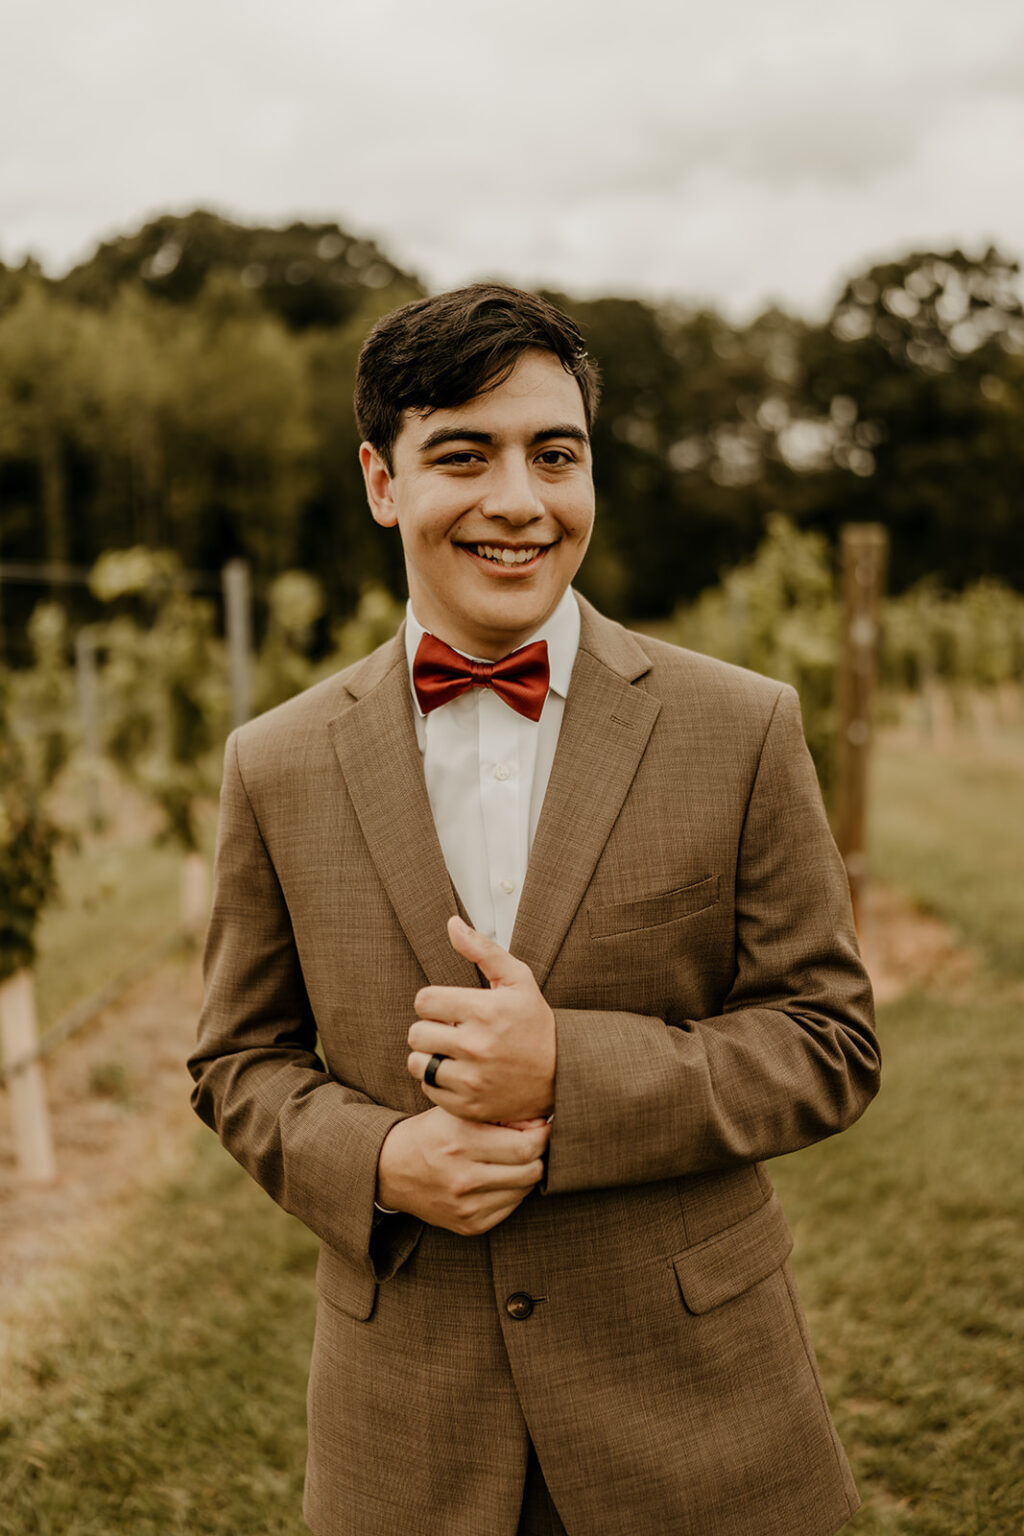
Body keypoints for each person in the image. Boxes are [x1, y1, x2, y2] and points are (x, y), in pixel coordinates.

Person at [188, 283, 880, 1536]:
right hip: (407, 1433)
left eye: (553, 455)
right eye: (464, 453)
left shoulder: (742, 726)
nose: (519, 500)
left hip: (703, 1419)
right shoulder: (274, 763)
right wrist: (384, 1161)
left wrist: (569, 1067)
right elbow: (238, 1061)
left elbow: (829, 1043)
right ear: (381, 481)